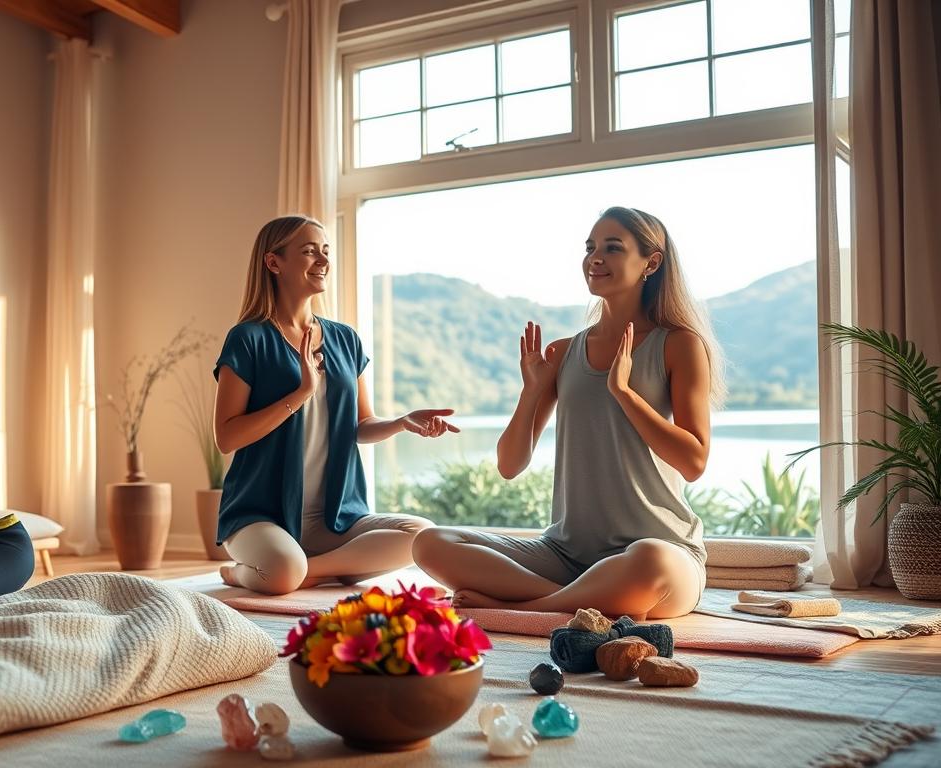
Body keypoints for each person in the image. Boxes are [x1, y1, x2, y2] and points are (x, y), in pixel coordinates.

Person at [412, 206, 722, 620]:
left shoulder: (679, 345)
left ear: (651, 262)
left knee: (650, 561)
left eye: (613, 248)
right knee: (430, 543)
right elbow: (509, 465)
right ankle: (579, 601)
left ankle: (529, 606)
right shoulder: (561, 352)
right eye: (591, 247)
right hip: (564, 554)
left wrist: (625, 394)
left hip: (660, 552)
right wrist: (532, 391)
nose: (596, 258)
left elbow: (694, 461)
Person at [212, 214, 459, 595]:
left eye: (326, 251)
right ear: (273, 262)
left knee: (421, 534)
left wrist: (401, 422)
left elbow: (361, 426)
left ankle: (301, 571)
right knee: (282, 569)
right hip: (261, 515)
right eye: (310, 252)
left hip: (336, 519)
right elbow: (227, 436)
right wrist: (299, 395)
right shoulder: (248, 338)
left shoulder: (346, 339)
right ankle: (252, 571)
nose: (324, 261)